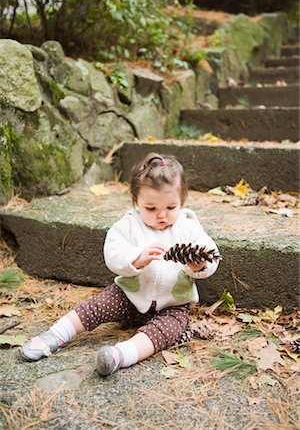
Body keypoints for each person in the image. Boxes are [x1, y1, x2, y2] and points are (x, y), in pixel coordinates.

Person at [21, 153, 220, 376]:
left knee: (166, 331)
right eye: (151, 208)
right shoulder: (128, 225)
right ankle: (56, 334)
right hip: (129, 295)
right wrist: (137, 258)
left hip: (172, 305)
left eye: (171, 207)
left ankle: (119, 356)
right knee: (96, 306)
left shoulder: (189, 227)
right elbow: (113, 254)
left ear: (182, 202)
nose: (162, 215)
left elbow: (211, 254)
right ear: (136, 202)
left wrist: (199, 265)